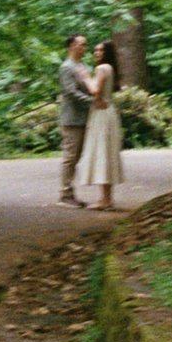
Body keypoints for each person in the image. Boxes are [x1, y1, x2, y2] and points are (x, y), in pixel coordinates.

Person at [74, 38, 125, 212]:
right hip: (108, 111)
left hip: (102, 114)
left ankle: (105, 200)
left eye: (101, 50)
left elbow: (95, 91)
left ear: (107, 53)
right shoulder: (110, 68)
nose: (97, 53)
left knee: (102, 152)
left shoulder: (102, 68)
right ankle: (106, 199)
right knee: (106, 152)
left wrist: (86, 77)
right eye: (95, 50)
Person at [54, 34, 94, 208]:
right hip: (71, 119)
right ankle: (65, 194)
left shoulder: (82, 66)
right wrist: (93, 102)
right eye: (81, 44)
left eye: (85, 45)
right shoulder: (67, 67)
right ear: (71, 46)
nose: (84, 48)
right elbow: (70, 92)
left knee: (76, 156)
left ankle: (69, 192)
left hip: (83, 118)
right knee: (70, 157)